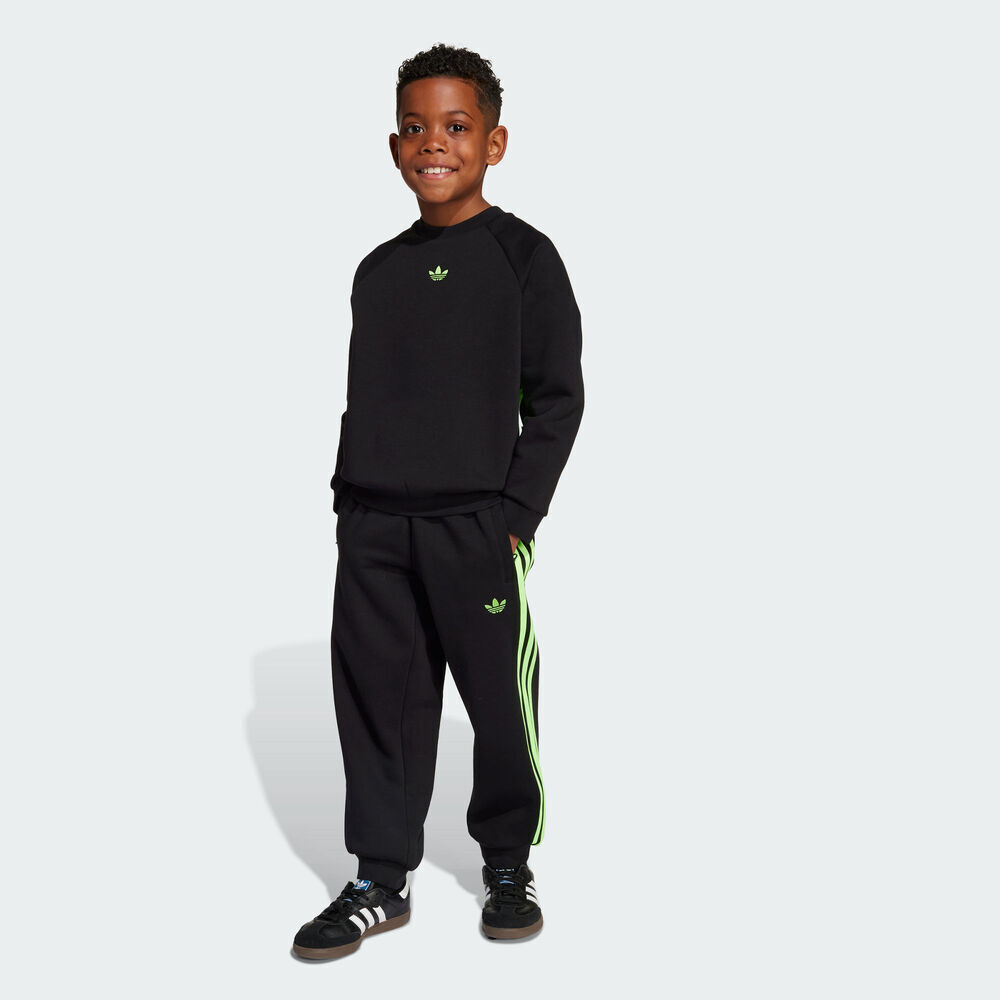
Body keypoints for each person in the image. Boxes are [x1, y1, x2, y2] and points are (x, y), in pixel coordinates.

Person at [292, 42, 585, 960]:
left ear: (493, 143)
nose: (434, 143)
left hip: (476, 528)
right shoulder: (377, 271)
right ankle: (381, 878)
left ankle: (507, 862)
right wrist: (350, 501)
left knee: (499, 704)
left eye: (456, 127)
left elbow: (558, 398)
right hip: (375, 529)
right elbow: (369, 395)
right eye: (415, 128)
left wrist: (515, 518)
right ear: (393, 146)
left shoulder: (524, 258)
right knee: (378, 705)